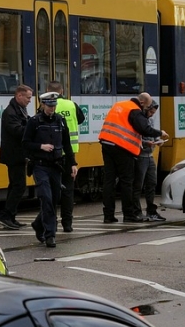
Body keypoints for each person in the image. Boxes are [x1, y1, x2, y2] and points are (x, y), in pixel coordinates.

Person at [22, 91, 77, 248]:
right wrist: (41, 146)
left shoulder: (60, 120)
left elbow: (67, 144)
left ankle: (38, 224)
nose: (52, 109)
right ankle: (50, 235)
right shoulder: (34, 122)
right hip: (40, 166)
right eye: (49, 106)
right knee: (46, 198)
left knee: (53, 200)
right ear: (42, 105)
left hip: (56, 166)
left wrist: (73, 163)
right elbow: (25, 143)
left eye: (54, 106)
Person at [99, 92, 163, 223]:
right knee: (127, 181)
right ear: (143, 103)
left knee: (109, 181)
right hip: (121, 147)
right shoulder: (135, 110)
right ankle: (129, 214)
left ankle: (108, 215)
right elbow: (144, 129)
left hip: (106, 143)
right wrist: (160, 133)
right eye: (149, 106)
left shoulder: (120, 105)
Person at [46, 80, 85, 232]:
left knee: (52, 190)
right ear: (62, 91)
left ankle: (53, 222)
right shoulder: (72, 105)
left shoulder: (46, 106)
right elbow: (81, 119)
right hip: (70, 154)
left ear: (48, 91)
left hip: (52, 154)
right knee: (68, 190)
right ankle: (67, 224)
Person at [0, 84, 33, 229]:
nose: (30, 101)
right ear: (19, 96)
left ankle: (10, 216)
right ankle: (6, 216)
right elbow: (17, 130)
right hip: (14, 155)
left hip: (18, 154)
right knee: (19, 186)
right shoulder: (10, 112)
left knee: (15, 185)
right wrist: (32, 128)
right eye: (28, 98)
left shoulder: (19, 109)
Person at [132, 102, 169, 222]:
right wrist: (145, 143)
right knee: (138, 185)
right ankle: (136, 211)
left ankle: (151, 211)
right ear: (145, 109)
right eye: (151, 112)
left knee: (152, 183)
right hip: (141, 156)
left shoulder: (149, 121)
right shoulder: (139, 120)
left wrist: (158, 140)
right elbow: (136, 137)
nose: (152, 115)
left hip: (150, 155)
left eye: (154, 113)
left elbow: (151, 134)